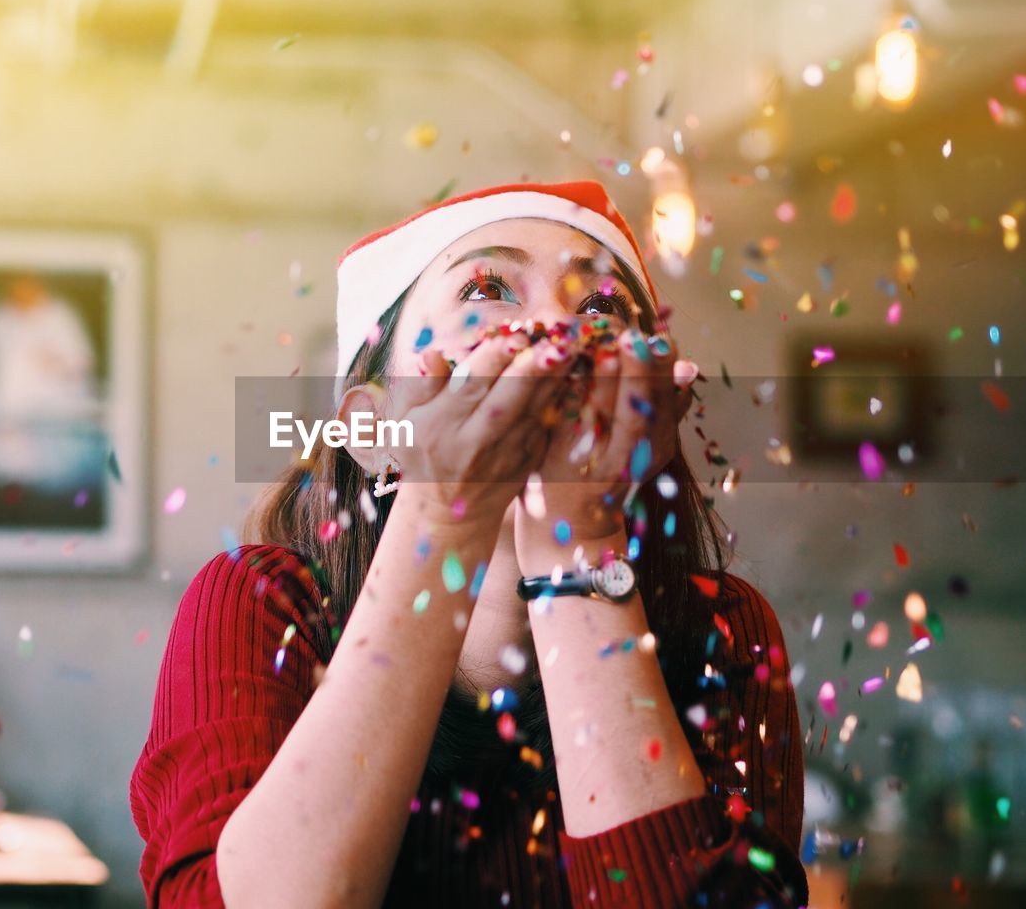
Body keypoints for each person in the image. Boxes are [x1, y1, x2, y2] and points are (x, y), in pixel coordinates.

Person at [130, 181, 808, 908]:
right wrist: (442, 516)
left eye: (601, 306)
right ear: (372, 431)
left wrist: (578, 544)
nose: (555, 324)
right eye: (488, 287)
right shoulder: (259, 605)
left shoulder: (722, 630)